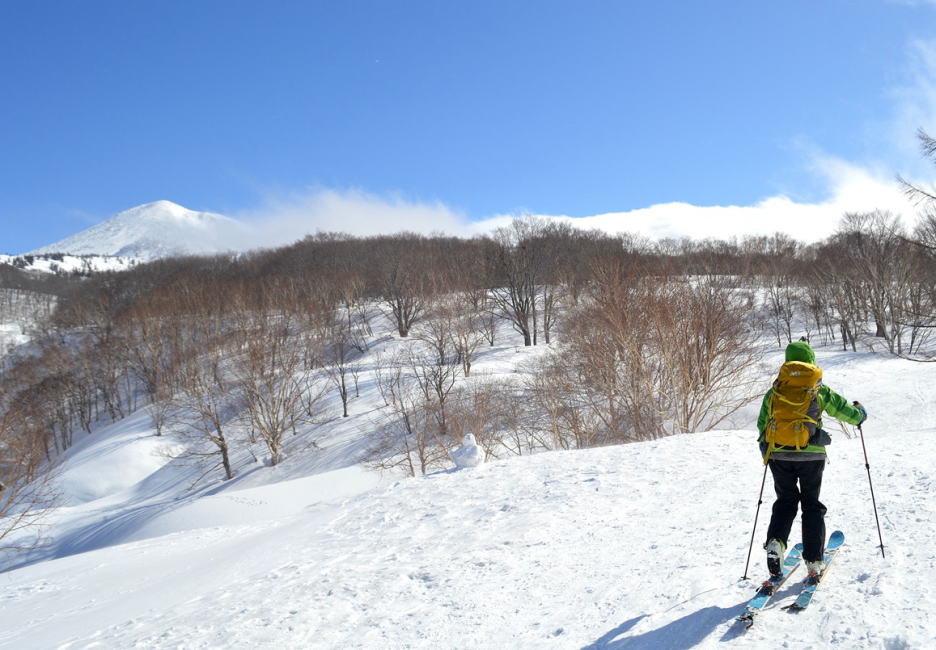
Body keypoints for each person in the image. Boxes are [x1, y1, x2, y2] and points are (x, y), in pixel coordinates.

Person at [756, 340, 866, 579]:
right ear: (811, 360)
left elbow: (762, 423)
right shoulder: (818, 389)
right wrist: (860, 414)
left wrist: (768, 449)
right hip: (811, 456)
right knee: (811, 505)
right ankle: (814, 561)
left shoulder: (776, 390)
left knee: (785, 502)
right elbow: (845, 411)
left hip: (778, 454)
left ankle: (776, 543)